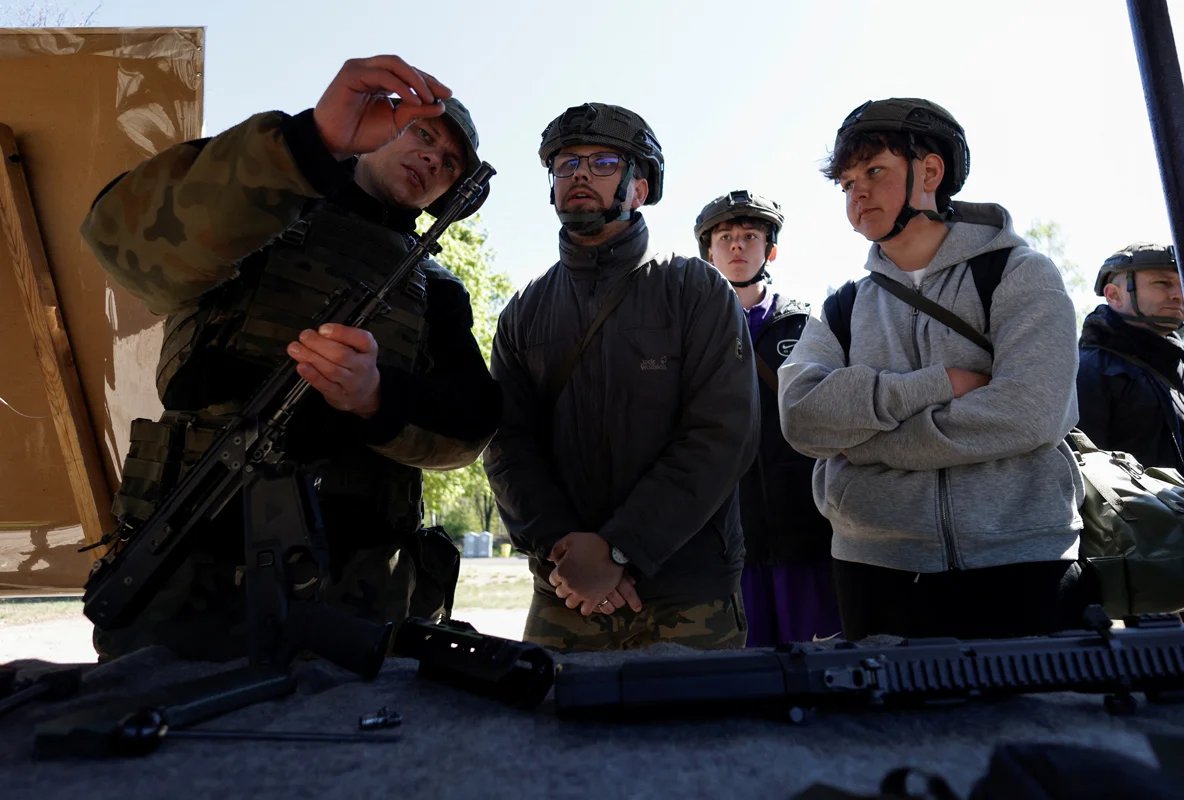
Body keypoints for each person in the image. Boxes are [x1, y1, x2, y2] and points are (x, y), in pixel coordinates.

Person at [80, 55, 501, 661]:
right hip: (194, 560)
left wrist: (374, 398)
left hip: (357, 588)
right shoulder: (262, 202)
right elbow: (120, 240)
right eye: (424, 133)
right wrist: (310, 144)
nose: (434, 157)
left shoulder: (436, 288)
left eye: (452, 162)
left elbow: (468, 430)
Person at [777, 98, 1091, 640]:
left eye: (874, 171)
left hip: (1024, 558)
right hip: (874, 567)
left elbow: (1029, 414)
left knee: (1038, 723)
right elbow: (802, 419)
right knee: (891, 727)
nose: (858, 194)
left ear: (929, 171)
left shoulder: (1020, 275)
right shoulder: (843, 306)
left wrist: (867, 445)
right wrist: (938, 385)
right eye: (847, 183)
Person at [483, 103, 758, 651]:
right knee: (549, 732)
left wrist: (619, 550)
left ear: (640, 187)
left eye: (604, 161)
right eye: (566, 164)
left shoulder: (696, 289)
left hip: (687, 592)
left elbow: (722, 435)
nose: (580, 174)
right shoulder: (524, 310)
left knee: (702, 738)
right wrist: (565, 549)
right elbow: (507, 443)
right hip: (564, 592)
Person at [693, 190, 840, 644]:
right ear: (709, 252)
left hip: (807, 535)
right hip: (727, 542)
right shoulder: (689, 330)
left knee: (815, 668)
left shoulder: (809, 326)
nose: (737, 246)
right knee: (744, 673)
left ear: (769, 250)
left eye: (750, 236)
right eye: (725, 237)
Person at [1077, 243, 1184, 480]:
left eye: (1182, 283)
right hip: (1143, 515)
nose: (1178, 295)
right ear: (1114, 295)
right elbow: (1082, 471)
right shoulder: (1090, 368)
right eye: (1162, 283)